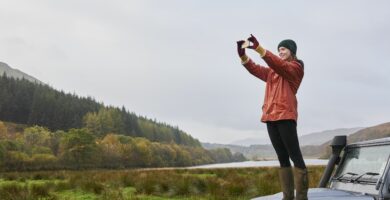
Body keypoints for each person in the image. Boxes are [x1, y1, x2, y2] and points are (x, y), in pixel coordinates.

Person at [236, 34, 308, 200]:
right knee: (282, 158)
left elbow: (279, 64)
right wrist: (243, 55)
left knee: (295, 156)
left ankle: (302, 197)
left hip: (286, 116)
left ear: (292, 51)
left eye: (283, 49)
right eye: (279, 50)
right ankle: (288, 197)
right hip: (270, 118)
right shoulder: (272, 73)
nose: (280, 52)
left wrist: (260, 49)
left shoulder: (296, 68)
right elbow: (256, 69)